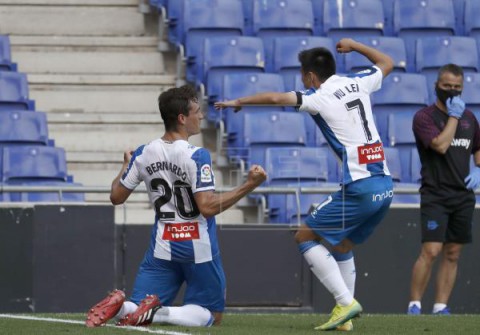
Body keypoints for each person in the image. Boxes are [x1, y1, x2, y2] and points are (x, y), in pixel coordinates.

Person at [214, 38, 394, 331]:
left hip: (361, 187)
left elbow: (275, 99)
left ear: (310, 76)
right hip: (385, 186)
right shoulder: (359, 82)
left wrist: (239, 102)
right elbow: (387, 62)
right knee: (343, 243)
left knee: (304, 236)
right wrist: (355, 45)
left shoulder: (317, 97)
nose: (302, 80)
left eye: (302, 75)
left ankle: (345, 302)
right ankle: (344, 317)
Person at [85, 85, 267, 328]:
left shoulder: (143, 152)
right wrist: (249, 185)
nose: (201, 116)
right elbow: (208, 207)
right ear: (182, 118)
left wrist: (125, 165)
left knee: (137, 305)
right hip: (197, 246)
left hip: (162, 244)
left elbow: (116, 196)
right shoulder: (197, 155)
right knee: (211, 314)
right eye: (196, 111)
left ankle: (121, 306)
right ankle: (155, 314)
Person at [408, 64, 480, 315]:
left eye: (457, 88)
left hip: (463, 195)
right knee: (431, 250)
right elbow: (440, 145)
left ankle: (441, 306)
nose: (452, 91)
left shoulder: (470, 119)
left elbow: (478, 148)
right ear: (436, 86)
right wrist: (453, 117)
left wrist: (478, 168)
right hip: (435, 193)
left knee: (452, 252)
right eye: (447, 86)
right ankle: (415, 305)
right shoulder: (424, 118)